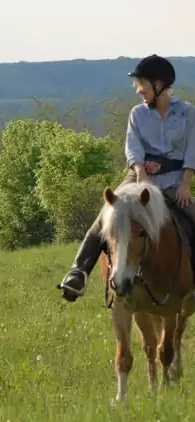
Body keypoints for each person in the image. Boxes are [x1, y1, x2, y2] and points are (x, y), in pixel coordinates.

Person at [57, 54, 195, 302]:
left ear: (159, 84)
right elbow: (133, 148)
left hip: (174, 180)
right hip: (139, 176)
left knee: (193, 217)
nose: (139, 90)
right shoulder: (137, 114)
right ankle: (78, 272)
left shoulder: (188, 114)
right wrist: (141, 174)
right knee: (105, 215)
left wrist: (185, 184)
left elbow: (192, 150)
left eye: (142, 84)